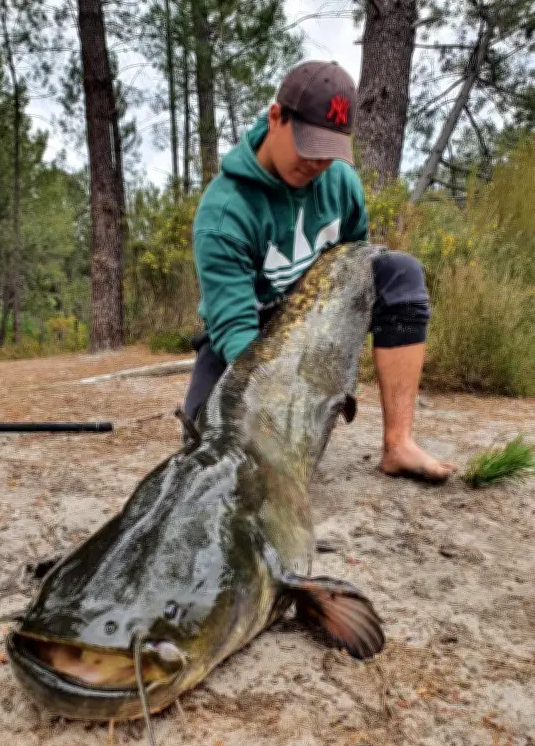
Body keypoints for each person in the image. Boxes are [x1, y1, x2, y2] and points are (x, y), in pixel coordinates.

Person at [183, 59, 457, 482]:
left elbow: (356, 271)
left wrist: (331, 367)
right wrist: (276, 403)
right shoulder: (223, 215)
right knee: (208, 453)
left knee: (400, 272)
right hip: (247, 335)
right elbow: (235, 333)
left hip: (314, 324)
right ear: (277, 118)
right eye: (309, 147)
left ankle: (398, 444)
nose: (317, 164)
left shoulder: (341, 182)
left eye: (330, 153)